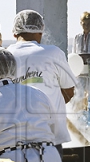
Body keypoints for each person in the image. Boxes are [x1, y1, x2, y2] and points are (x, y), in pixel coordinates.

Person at [7, 10, 77, 152]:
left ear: (14, 33)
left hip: (13, 139)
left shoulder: (4, 56)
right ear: (40, 31)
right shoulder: (53, 53)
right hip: (50, 137)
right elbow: (69, 91)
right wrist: (48, 106)